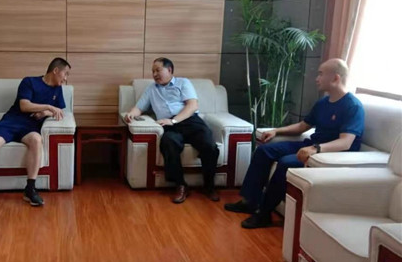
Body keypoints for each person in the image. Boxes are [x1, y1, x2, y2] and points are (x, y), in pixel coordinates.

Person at [224, 58, 365, 229]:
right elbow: (302, 126)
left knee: (286, 162)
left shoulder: (352, 106)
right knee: (264, 151)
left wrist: (316, 149)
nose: (317, 78)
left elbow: (345, 142)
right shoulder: (323, 102)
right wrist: (277, 131)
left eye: (321, 74)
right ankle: (250, 201)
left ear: (335, 78)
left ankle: (264, 213)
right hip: (313, 145)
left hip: (331, 155)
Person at [0, 58, 70, 207]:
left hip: (30, 127)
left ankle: (30, 189)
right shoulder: (29, 82)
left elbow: (59, 111)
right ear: (55, 71)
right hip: (11, 122)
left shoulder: (57, 89)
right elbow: (24, 105)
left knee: (36, 140)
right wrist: (48, 107)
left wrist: (45, 113)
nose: (65, 78)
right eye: (65, 74)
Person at [124, 57, 220, 204]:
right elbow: (139, 107)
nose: (154, 74)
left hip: (190, 121)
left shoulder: (183, 83)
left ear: (169, 70)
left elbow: (192, 105)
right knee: (168, 142)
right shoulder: (151, 89)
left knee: (210, 146)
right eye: (153, 71)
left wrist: (174, 120)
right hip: (169, 126)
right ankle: (181, 185)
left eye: (158, 70)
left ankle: (209, 186)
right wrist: (131, 113)